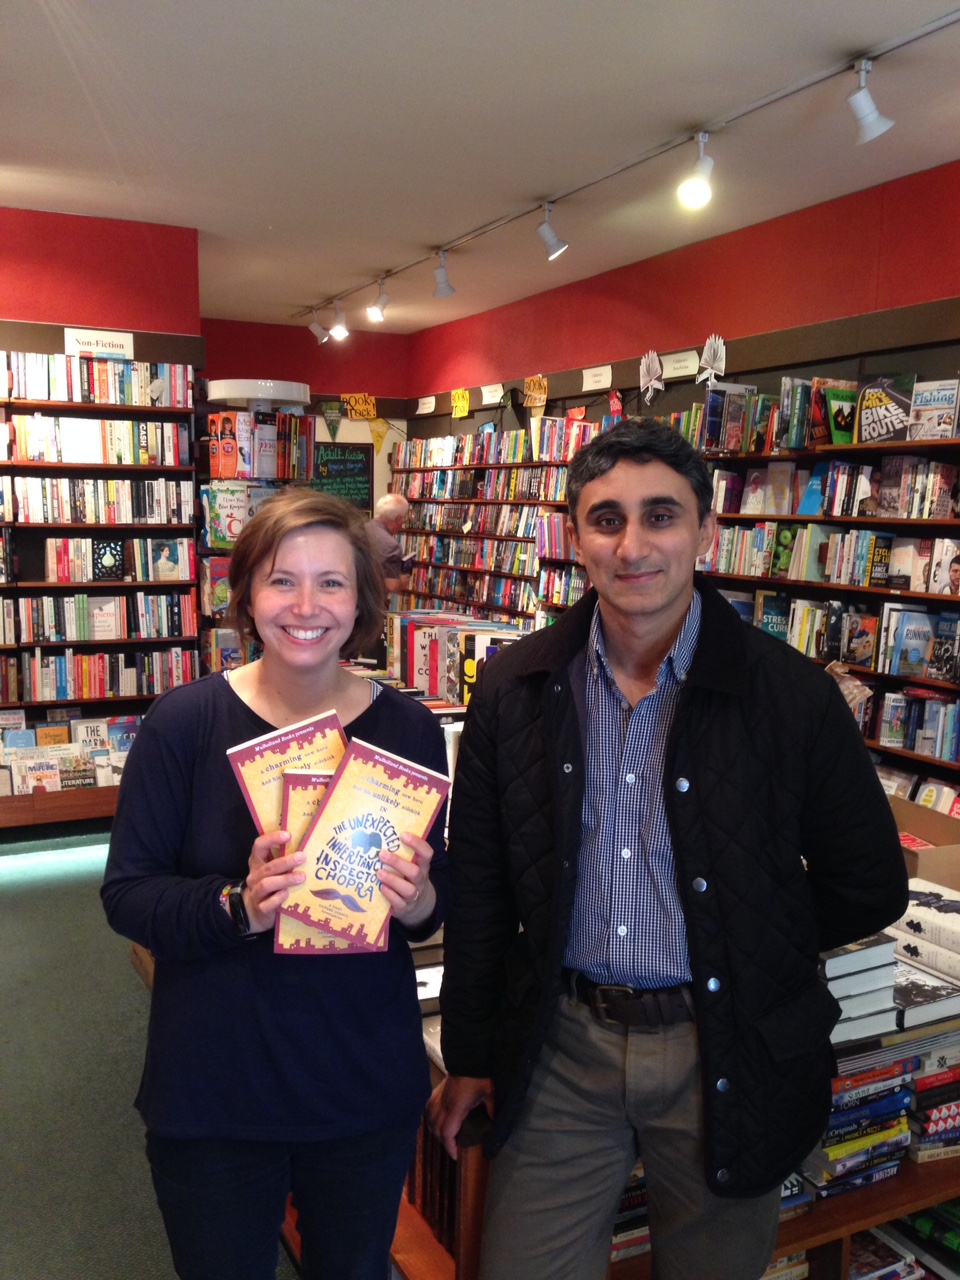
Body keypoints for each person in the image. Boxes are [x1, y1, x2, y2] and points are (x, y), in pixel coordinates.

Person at [428, 419, 907, 1280]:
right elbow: (486, 885)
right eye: (606, 519)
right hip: (562, 1046)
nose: (634, 545)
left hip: (724, 1046)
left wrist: (742, 935)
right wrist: (467, 1055)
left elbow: (868, 883)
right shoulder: (518, 685)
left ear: (707, 532)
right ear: (573, 537)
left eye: (662, 516)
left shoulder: (790, 694)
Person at [102, 488, 449, 1280]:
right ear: (247, 596)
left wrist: (423, 897)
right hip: (217, 1087)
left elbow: (441, 890)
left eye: (331, 582)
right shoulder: (183, 724)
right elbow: (129, 893)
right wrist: (238, 906)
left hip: (361, 1083)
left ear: (362, 597)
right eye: (281, 580)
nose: (306, 605)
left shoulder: (408, 727)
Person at [366, 492, 411, 594]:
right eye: (404, 518)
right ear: (399, 519)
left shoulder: (359, 529)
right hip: (372, 604)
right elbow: (391, 585)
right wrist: (402, 582)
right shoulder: (391, 546)